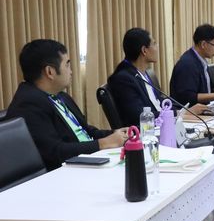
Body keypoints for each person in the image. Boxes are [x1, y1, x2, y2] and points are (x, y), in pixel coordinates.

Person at [7, 39, 128, 171]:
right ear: (50, 72)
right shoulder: (29, 104)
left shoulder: (60, 95)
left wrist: (116, 134)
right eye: (67, 65)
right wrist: (103, 143)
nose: (71, 71)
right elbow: (55, 152)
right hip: (67, 171)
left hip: (89, 160)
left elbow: (86, 131)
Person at [108, 28, 208, 127]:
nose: (157, 47)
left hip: (163, 125)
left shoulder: (142, 73)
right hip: (148, 132)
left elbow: (158, 103)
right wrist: (181, 113)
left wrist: (185, 111)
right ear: (144, 50)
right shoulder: (123, 79)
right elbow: (138, 116)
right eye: (154, 43)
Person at [170, 24, 214, 106]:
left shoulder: (200, 60)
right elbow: (189, 97)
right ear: (203, 44)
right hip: (191, 111)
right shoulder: (188, 64)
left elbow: (206, 91)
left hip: (204, 108)